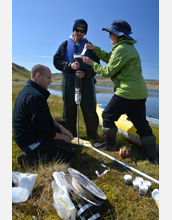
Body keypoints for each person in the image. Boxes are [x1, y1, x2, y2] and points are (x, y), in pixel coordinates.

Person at [83, 19, 158, 163]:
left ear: (118, 34)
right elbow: (110, 58)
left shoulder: (121, 49)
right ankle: (152, 157)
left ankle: (110, 145)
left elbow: (108, 71)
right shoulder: (127, 47)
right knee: (141, 124)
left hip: (127, 92)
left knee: (108, 115)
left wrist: (92, 63)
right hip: (139, 93)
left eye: (111, 33)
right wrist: (95, 49)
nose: (109, 35)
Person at [13, 64, 76, 165]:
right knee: (69, 151)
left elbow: (45, 119)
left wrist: (60, 128)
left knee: (61, 124)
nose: (50, 81)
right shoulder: (36, 97)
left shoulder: (30, 90)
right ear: (38, 76)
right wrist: (63, 138)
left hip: (27, 133)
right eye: (48, 78)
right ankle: (29, 158)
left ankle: (41, 150)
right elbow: (44, 132)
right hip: (29, 141)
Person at [53, 19, 100, 141]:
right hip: (69, 81)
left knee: (90, 109)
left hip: (87, 82)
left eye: (82, 31)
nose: (79, 33)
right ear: (73, 30)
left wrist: (86, 73)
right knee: (69, 109)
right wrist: (69, 66)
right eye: (77, 30)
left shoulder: (90, 47)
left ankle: (93, 136)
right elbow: (56, 60)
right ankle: (70, 136)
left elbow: (96, 65)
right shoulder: (65, 45)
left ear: (85, 33)